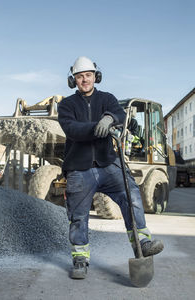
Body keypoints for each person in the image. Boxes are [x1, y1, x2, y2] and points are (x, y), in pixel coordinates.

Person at [58, 56, 164, 279]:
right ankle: (80, 259)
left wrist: (109, 117)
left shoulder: (107, 98)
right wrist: (98, 126)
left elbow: (120, 114)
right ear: (73, 80)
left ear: (96, 77)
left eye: (88, 75)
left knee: (132, 195)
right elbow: (71, 129)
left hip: (108, 163)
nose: (84, 80)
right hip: (79, 168)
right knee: (78, 216)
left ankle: (142, 244)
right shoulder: (66, 105)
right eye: (80, 76)